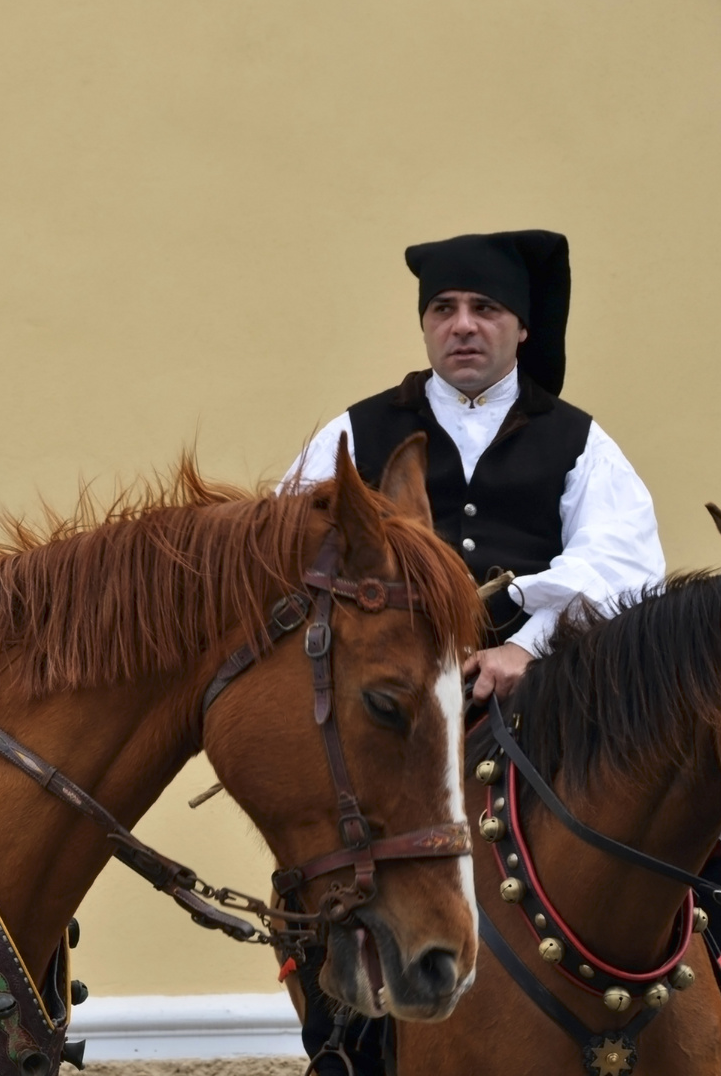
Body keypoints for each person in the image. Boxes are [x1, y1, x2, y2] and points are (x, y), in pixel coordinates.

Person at [282, 230, 665, 1075]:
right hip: (398, 713)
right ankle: (349, 1040)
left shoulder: (578, 441)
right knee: (320, 853)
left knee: (683, 824)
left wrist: (525, 647)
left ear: (521, 329)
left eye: (486, 310)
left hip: (549, 710)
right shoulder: (355, 433)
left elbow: (625, 565)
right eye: (445, 310)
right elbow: (287, 554)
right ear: (425, 326)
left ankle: (696, 1006)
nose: (464, 326)